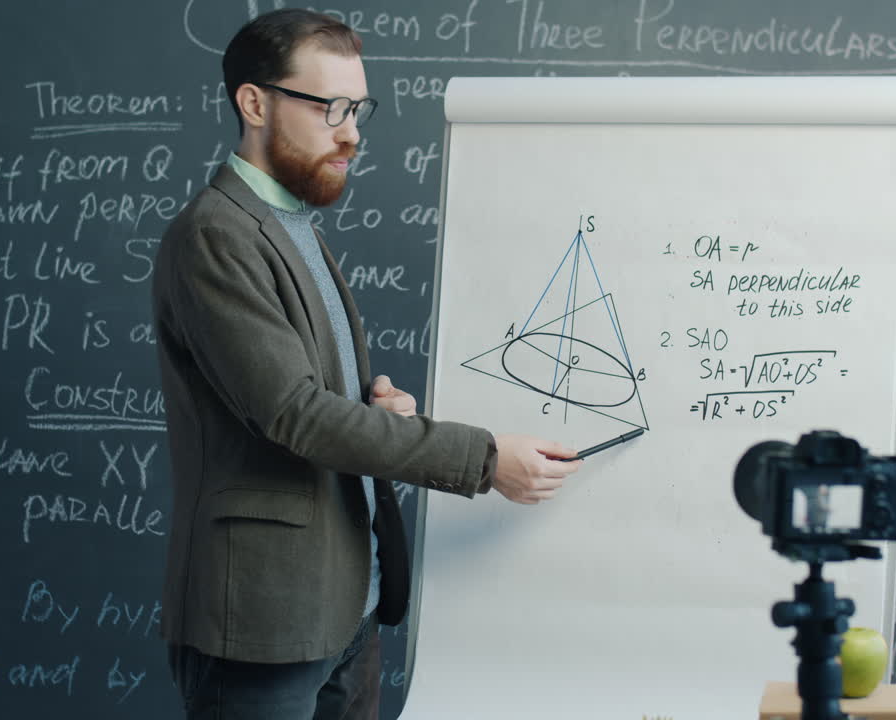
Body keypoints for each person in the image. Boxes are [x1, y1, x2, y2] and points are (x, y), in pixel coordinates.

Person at [152, 9, 583, 719]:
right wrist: (483, 459)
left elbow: (308, 402)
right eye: (330, 108)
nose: (352, 131)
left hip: (350, 600)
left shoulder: (294, 227)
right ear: (254, 103)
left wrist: (375, 410)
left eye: (358, 109)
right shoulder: (217, 235)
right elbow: (294, 413)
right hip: (266, 618)